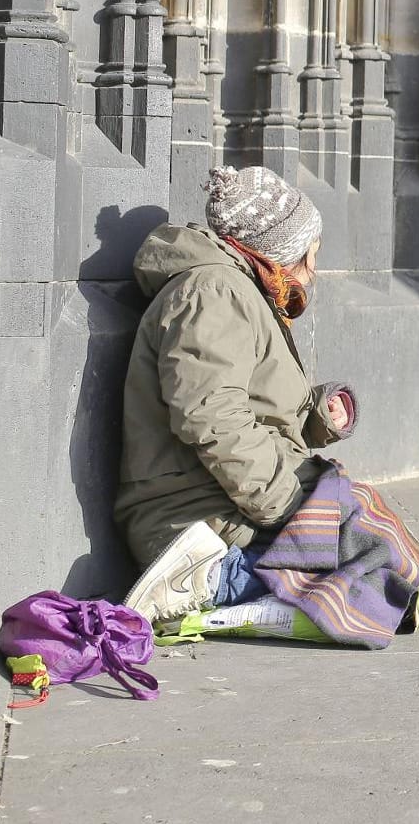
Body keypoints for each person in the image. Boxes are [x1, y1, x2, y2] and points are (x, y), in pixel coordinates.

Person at [117, 166, 358, 622]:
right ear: (281, 251)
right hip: (192, 522)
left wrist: (317, 418)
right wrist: (289, 507)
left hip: (228, 506)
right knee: (370, 569)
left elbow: (253, 406)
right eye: (311, 255)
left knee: (366, 537)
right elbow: (212, 417)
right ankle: (203, 584)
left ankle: (254, 585)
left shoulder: (241, 292)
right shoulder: (214, 292)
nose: (313, 271)